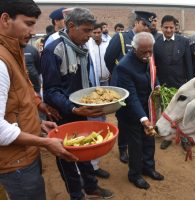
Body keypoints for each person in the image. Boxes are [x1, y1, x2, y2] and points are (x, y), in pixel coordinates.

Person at [0, 1, 77, 200]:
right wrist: (44, 142)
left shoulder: (12, 50)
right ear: (5, 19)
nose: (33, 31)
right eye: (28, 23)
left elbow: (16, 102)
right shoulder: (1, 61)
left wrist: (37, 122)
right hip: (14, 165)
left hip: (22, 156)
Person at [41, 8, 113, 199]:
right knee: (66, 156)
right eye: (87, 31)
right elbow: (50, 91)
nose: (90, 36)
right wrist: (72, 108)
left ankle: (91, 187)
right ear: (71, 26)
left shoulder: (82, 49)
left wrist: (95, 103)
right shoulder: (53, 50)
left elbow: (85, 84)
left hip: (79, 109)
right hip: (61, 114)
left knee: (85, 150)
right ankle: (76, 194)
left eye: (92, 31)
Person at [105, 10, 156, 164]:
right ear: (136, 22)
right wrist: (118, 74)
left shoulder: (147, 41)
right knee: (124, 120)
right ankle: (122, 148)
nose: (147, 28)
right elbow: (108, 58)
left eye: (149, 25)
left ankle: (142, 159)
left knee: (136, 125)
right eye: (144, 24)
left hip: (139, 87)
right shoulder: (121, 37)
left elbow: (149, 67)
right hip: (123, 86)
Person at [115, 32, 164, 190]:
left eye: (150, 51)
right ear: (134, 48)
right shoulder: (124, 66)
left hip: (147, 106)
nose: (148, 55)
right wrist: (143, 119)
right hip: (131, 112)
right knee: (136, 144)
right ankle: (134, 174)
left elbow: (153, 74)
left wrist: (156, 85)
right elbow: (131, 97)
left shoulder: (148, 56)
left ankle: (148, 168)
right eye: (144, 51)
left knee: (149, 139)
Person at [153, 15, 193, 150]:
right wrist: (157, 83)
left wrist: (190, 83)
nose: (169, 30)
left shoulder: (184, 42)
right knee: (166, 111)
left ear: (175, 27)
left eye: (171, 27)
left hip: (180, 85)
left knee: (182, 113)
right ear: (161, 27)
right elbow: (154, 67)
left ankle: (184, 138)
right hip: (164, 86)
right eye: (166, 27)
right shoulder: (156, 43)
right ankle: (168, 137)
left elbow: (188, 64)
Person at [86, 23, 111, 179]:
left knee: (102, 117)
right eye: (94, 32)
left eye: (99, 32)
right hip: (91, 87)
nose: (97, 34)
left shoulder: (107, 43)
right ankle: (92, 166)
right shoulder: (86, 45)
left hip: (106, 83)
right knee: (93, 122)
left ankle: (94, 163)